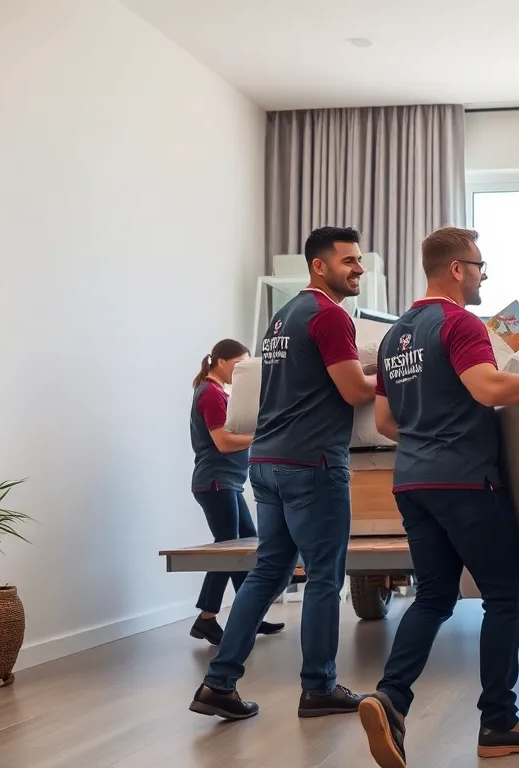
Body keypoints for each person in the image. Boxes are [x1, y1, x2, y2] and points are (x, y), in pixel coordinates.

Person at [359, 227, 519, 766]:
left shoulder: (395, 337)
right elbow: (486, 388)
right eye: (481, 266)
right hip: (463, 480)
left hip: (412, 482)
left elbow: (386, 421)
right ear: (458, 269)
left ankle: (390, 698)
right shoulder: (459, 322)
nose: (485, 275)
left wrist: (426, 432)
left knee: (434, 597)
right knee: (503, 597)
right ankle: (498, 721)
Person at [189, 226, 377, 721]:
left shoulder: (283, 316)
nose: (358, 268)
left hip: (267, 464)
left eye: (359, 260)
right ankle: (319, 686)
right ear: (320, 266)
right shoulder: (330, 316)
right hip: (312, 464)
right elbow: (355, 391)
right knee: (323, 577)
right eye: (349, 261)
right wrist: (402, 375)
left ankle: (219, 681)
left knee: (268, 571)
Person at [187, 339, 285, 645]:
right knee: (229, 552)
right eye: (238, 365)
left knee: (245, 549)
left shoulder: (217, 393)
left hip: (226, 482)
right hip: (216, 482)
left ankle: (249, 616)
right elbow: (223, 443)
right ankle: (206, 619)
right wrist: (262, 435)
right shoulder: (211, 394)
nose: (242, 372)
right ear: (219, 361)